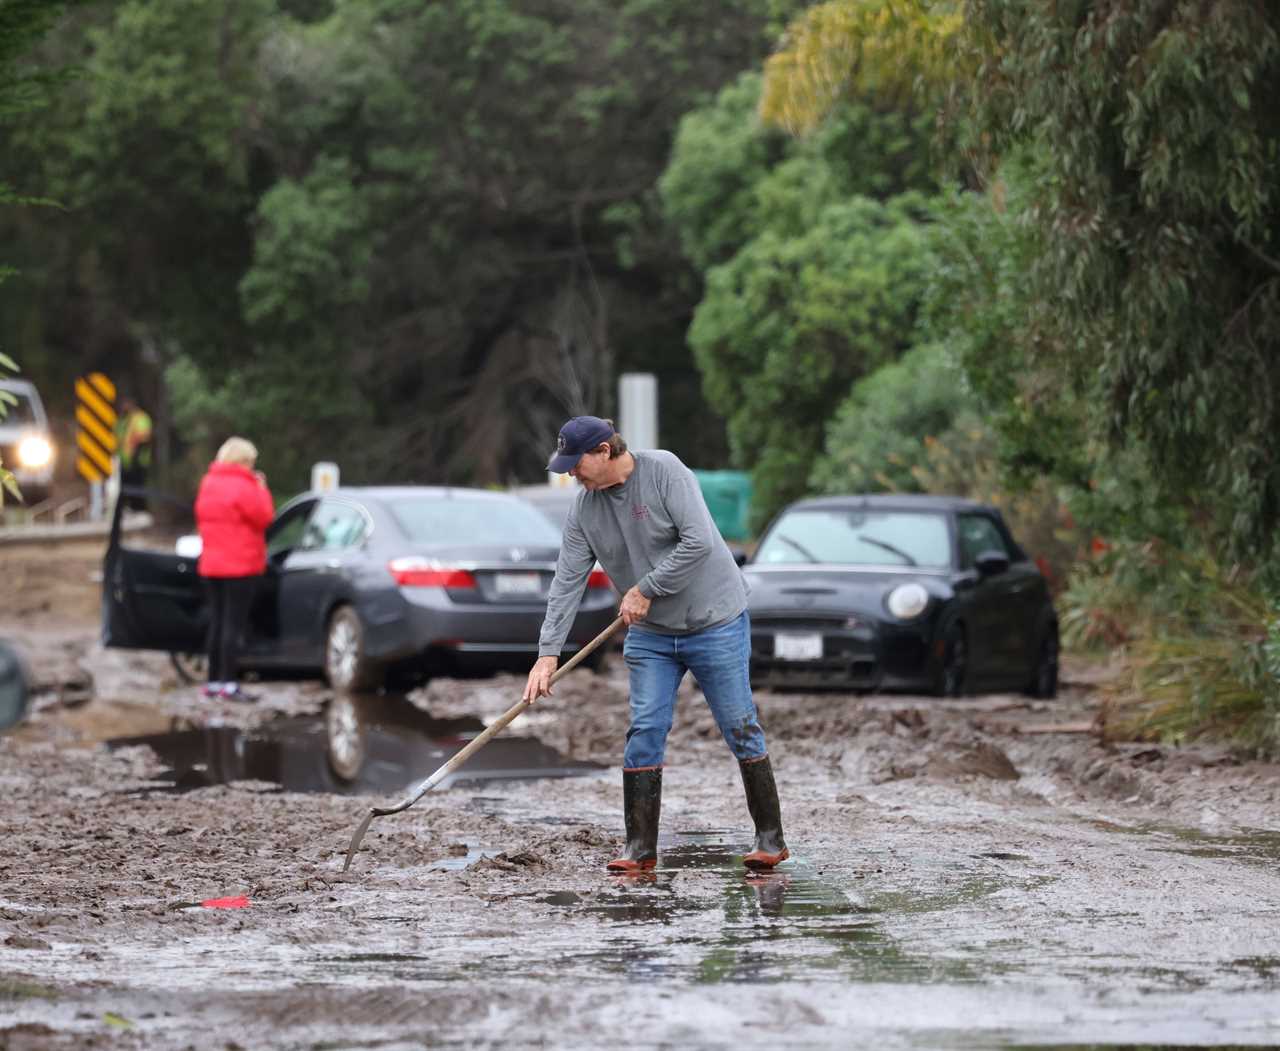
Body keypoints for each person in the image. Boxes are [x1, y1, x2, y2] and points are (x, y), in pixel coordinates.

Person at [523, 416, 788, 873]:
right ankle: (640, 848)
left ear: (604, 451)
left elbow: (699, 542)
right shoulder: (585, 509)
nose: (571, 475)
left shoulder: (665, 472)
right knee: (645, 729)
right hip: (652, 637)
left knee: (739, 725)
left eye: (577, 463)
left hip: (714, 622)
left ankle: (770, 837)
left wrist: (646, 588)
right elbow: (567, 581)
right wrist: (548, 654)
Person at [194, 437, 274, 702]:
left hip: (211, 566)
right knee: (233, 626)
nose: (252, 466)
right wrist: (261, 487)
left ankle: (213, 683)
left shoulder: (208, 483)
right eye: (251, 462)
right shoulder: (245, 485)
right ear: (242, 461)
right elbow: (264, 517)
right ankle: (229, 684)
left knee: (216, 623)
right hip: (240, 566)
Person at [114, 395, 153, 512]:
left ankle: (140, 510)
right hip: (124, 461)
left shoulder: (140, 418)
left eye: (125, 404)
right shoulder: (123, 420)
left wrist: (134, 444)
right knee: (126, 489)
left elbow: (145, 435)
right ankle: (129, 509)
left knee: (138, 488)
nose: (123, 407)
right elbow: (118, 437)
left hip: (138, 460)